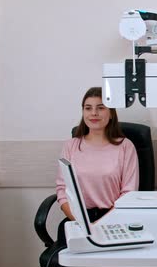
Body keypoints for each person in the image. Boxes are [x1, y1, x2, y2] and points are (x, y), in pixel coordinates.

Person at [56, 86, 139, 223]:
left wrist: (99, 225)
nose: (94, 113)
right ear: (83, 112)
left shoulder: (125, 146)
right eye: (88, 108)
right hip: (78, 219)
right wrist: (83, 223)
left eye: (100, 108)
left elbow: (128, 194)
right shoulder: (70, 146)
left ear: (111, 113)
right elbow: (62, 190)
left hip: (114, 218)